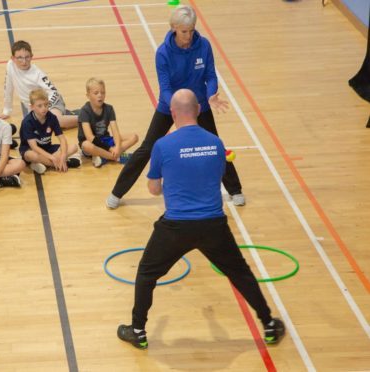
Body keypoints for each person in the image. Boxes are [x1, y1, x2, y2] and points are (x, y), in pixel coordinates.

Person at [117, 89, 285, 350]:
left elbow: (153, 189)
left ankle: (137, 330)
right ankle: (269, 325)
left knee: (147, 274)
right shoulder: (216, 143)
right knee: (240, 272)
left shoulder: (162, 145)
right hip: (213, 226)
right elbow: (215, 178)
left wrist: (168, 185)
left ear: (172, 114)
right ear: (197, 110)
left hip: (175, 227)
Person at [106, 5, 245, 209]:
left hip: (199, 105)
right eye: (183, 31)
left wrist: (211, 95)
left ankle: (235, 190)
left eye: (191, 30)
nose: (188, 36)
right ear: (173, 28)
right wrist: (177, 107)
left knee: (215, 145)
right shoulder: (163, 53)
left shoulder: (204, 45)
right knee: (148, 148)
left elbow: (210, 76)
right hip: (170, 106)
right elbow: (165, 87)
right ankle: (117, 192)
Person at [0, 40, 79, 130]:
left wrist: (45, 107)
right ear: (13, 58)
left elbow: (54, 92)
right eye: (19, 58)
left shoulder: (38, 74)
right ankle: (66, 114)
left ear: (32, 56)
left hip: (52, 103)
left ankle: (86, 119)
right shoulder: (10, 65)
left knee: (57, 122)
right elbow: (8, 87)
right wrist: (7, 110)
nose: (24, 61)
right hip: (35, 108)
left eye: (27, 57)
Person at [78, 78, 138, 167]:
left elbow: (115, 131)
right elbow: (90, 137)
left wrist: (117, 147)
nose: (100, 95)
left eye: (103, 92)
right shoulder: (84, 111)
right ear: (88, 95)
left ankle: (103, 157)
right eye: (96, 93)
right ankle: (115, 157)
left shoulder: (109, 109)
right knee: (86, 145)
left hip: (105, 139)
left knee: (134, 137)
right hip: (92, 144)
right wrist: (110, 149)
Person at [19, 89, 81, 174]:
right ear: (32, 107)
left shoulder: (52, 118)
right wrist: (52, 158)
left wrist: (63, 155)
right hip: (31, 150)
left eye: (46, 105)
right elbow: (34, 147)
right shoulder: (27, 122)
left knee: (74, 147)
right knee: (31, 155)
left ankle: (43, 164)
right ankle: (61, 164)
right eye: (39, 106)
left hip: (47, 148)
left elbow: (62, 139)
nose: (44, 108)